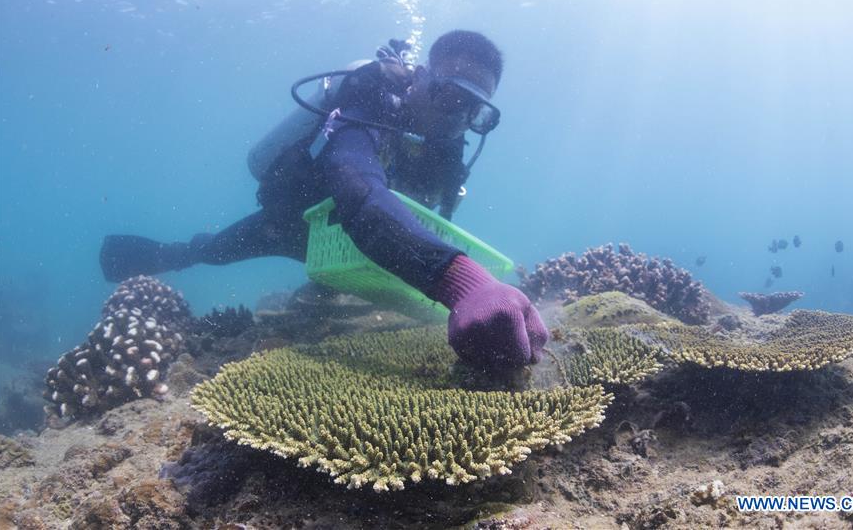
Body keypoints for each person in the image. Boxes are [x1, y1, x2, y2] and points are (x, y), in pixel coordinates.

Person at [100, 30, 549, 370]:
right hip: (296, 222)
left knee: (329, 282)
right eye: (450, 94)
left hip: (362, 247)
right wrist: (466, 285)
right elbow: (359, 191)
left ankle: (322, 287)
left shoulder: (446, 149)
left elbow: (429, 220)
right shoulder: (372, 103)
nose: (458, 116)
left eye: (474, 109)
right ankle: (165, 254)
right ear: (421, 80)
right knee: (214, 252)